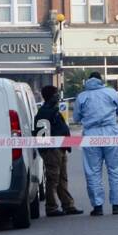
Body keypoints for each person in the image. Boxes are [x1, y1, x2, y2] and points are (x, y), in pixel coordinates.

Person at [72, 72, 118, 216]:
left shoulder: (82, 96)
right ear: (101, 81)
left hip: (90, 135)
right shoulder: (111, 92)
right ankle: (116, 205)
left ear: (87, 81)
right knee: (116, 169)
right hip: (111, 133)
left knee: (93, 171)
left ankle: (97, 206)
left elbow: (76, 118)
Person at [35, 84, 81, 216]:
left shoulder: (52, 110)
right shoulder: (45, 112)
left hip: (60, 148)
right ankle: (52, 207)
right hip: (52, 150)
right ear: (50, 97)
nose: (58, 97)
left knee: (62, 178)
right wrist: (47, 150)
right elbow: (41, 134)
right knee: (53, 179)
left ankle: (68, 205)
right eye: (56, 94)